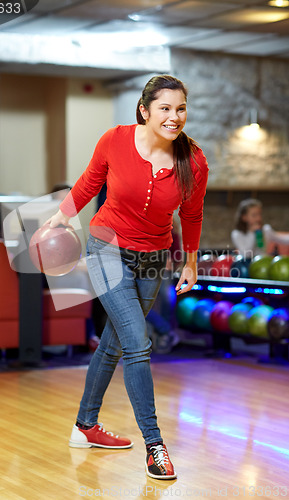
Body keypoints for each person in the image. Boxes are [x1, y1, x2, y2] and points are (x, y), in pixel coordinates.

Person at [46, 75, 209, 480]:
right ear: (145, 110)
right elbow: (89, 182)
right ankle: (155, 445)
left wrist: (189, 262)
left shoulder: (194, 161)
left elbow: (191, 215)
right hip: (106, 247)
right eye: (165, 109)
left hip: (153, 258)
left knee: (114, 345)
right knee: (138, 343)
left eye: (181, 109)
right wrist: (61, 215)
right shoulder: (115, 140)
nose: (174, 117)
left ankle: (85, 426)